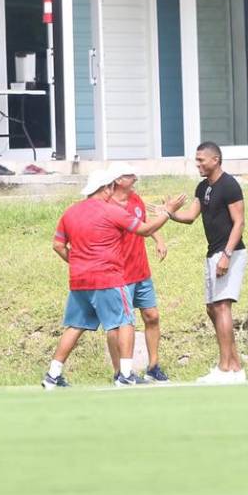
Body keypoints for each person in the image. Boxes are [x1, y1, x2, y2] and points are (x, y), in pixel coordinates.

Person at [43, 169, 185, 389]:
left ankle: (52, 374)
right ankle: (126, 374)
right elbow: (145, 229)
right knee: (125, 321)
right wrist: (167, 212)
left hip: (80, 281)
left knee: (75, 326)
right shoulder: (111, 211)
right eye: (110, 187)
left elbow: (57, 245)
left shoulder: (70, 212)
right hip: (108, 278)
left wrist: (79, 262)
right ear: (105, 188)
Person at [167, 142, 248, 384]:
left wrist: (227, 254)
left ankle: (224, 369)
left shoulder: (230, 185)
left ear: (216, 160)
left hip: (229, 253)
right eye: (197, 160)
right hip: (212, 253)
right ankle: (235, 367)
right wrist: (169, 213)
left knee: (222, 306)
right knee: (212, 308)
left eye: (202, 160)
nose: (198, 164)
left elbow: (239, 223)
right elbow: (191, 216)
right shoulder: (203, 187)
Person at [106, 162, 170, 383]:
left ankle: (153, 367)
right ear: (118, 180)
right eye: (130, 176)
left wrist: (159, 240)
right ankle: (120, 372)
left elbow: (144, 224)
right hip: (119, 274)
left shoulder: (135, 199)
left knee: (152, 316)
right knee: (120, 324)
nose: (135, 179)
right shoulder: (107, 204)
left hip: (141, 270)